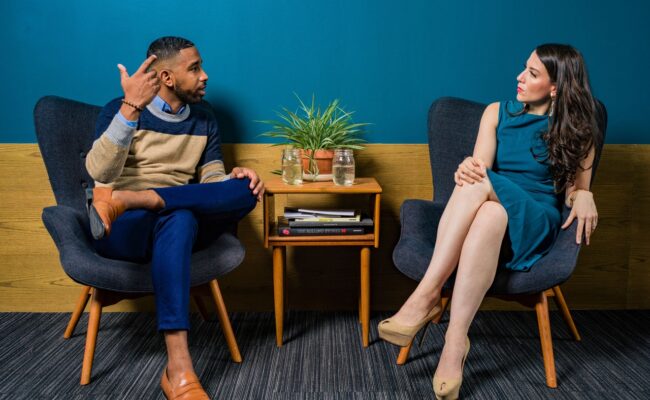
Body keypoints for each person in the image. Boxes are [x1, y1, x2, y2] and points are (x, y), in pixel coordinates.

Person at [378, 44, 601, 399]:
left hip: (536, 218)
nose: (519, 76)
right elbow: (478, 169)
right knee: (488, 207)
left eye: (531, 72)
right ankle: (455, 343)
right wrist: (467, 167)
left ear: (556, 86)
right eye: (523, 68)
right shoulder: (496, 113)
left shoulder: (579, 129)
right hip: (495, 213)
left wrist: (583, 194)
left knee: (481, 184)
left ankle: (427, 293)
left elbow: (576, 190)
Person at [85, 36, 264, 400]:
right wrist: (130, 109)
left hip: (154, 211)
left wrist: (231, 179)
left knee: (245, 190)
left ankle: (138, 198)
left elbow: (211, 180)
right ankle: (179, 369)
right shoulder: (119, 110)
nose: (205, 76)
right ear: (166, 77)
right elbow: (98, 173)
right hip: (122, 226)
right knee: (181, 216)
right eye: (194, 69)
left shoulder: (205, 120)